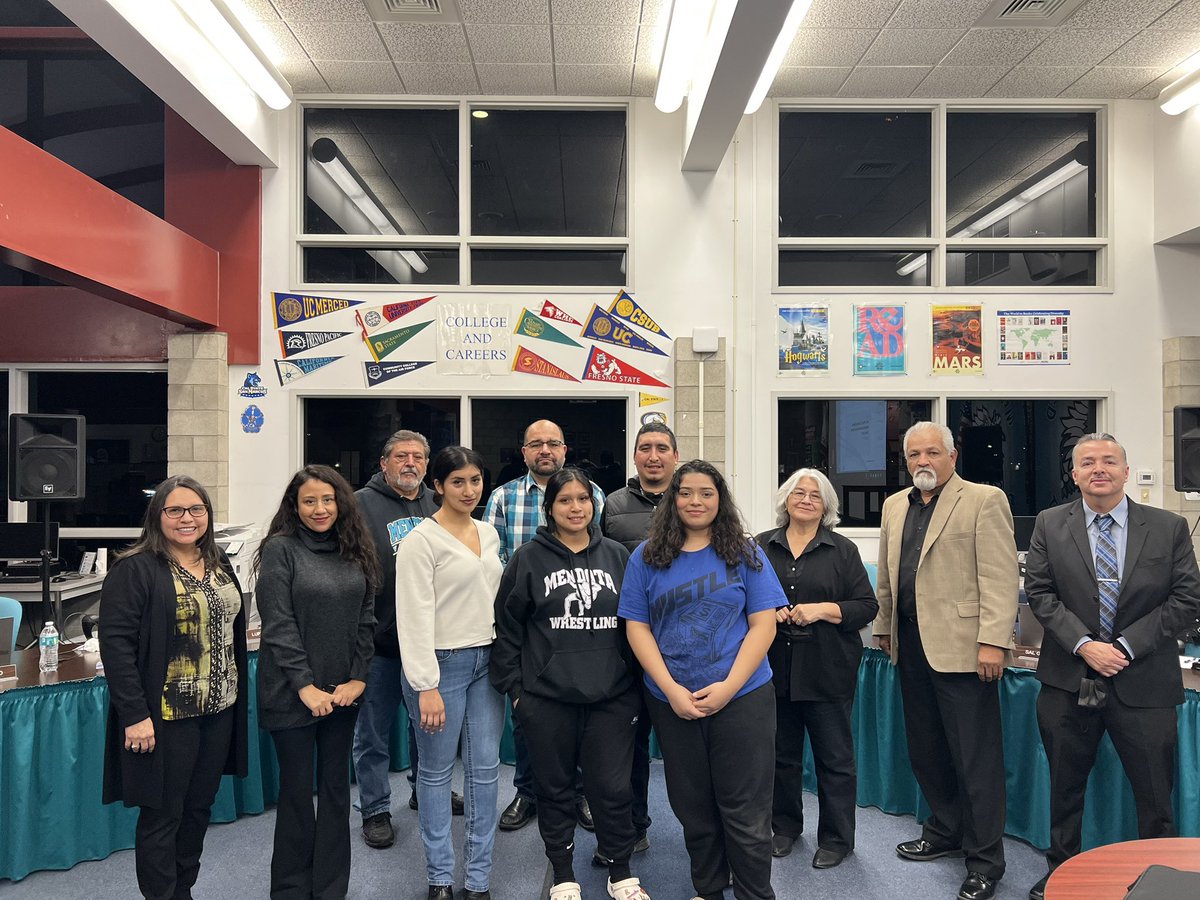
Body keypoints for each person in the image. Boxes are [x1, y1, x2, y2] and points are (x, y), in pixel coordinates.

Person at [1023, 433, 1200, 900]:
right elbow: (1040, 595)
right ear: (1075, 473)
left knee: (1156, 797)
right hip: (1067, 680)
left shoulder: (1167, 527)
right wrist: (1084, 644)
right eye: (1087, 462)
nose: (1098, 469)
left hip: (1145, 682)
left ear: (1125, 470)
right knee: (1065, 790)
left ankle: (1160, 878)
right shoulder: (1048, 523)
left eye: (1109, 461)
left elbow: (1186, 600)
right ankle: (1060, 870)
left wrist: (1122, 646)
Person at [619, 459, 783, 900]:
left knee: (746, 813)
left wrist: (729, 687)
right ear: (672, 499)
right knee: (694, 810)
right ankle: (708, 890)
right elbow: (638, 628)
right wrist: (671, 690)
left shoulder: (746, 552)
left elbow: (763, 625)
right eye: (686, 492)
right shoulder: (647, 556)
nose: (696, 501)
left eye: (706, 493)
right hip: (673, 702)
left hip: (743, 698)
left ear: (720, 499)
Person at [872, 422, 1018, 900]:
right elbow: (890, 578)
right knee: (927, 750)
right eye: (914, 454)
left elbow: (999, 577)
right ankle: (945, 832)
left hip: (965, 648)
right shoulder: (896, 505)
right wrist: (883, 626)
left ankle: (985, 862)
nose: (922, 462)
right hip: (910, 647)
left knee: (974, 760)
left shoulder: (983, 498)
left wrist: (993, 641)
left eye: (932, 452)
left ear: (952, 457)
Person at [492, 468, 650, 900]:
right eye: (565, 500)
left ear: (594, 505)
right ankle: (563, 874)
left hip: (613, 698)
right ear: (550, 508)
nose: (575, 507)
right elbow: (507, 630)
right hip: (546, 700)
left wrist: (633, 688)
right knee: (554, 788)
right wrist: (519, 694)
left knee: (613, 789)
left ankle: (621, 873)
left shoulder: (619, 556)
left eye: (583, 499)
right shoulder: (527, 558)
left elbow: (638, 625)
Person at [101, 475, 248, 900]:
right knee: (163, 815)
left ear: (208, 514)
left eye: (196, 509)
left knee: (198, 809)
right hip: (165, 716)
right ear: (157, 516)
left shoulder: (217, 561)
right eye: (175, 510)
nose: (187, 518)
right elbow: (117, 648)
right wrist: (134, 716)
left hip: (219, 709)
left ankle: (182, 890)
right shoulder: (136, 569)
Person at [255, 464, 379, 900]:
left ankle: (330, 890)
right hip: (290, 694)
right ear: (295, 505)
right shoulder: (280, 550)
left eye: (328, 499)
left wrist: (357, 679)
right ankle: (290, 890)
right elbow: (279, 624)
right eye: (310, 501)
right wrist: (305, 687)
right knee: (295, 796)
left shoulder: (355, 549)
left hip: (342, 695)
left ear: (341, 503)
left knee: (335, 795)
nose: (320, 508)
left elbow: (367, 621)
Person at [484, 419, 605, 832]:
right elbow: (493, 559)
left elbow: (595, 548)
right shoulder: (502, 497)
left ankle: (581, 794)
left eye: (553, 443)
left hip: (581, 624)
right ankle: (527, 791)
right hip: (532, 627)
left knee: (585, 728)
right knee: (529, 725)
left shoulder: (597, 496)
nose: (545, 450)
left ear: (565, 449)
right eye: (536, 444)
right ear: (524, 452)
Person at [396, 446, 505, 900]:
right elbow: (413, 615)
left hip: (488, 661)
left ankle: (477, 879)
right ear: (436, 486)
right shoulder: (419, 540)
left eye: (475, 480)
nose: (468, 490)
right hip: (439, 666)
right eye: (457, 481)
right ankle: (440, 877)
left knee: (485, 773)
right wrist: (426, 685)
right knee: (437, 774)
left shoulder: (489, 533)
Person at [757, 468, 877, 869]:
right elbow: (742, 599)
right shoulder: (760, 547)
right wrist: (767, 612)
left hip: (828, 671)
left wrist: (822, 610)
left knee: (835, 760)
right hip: (774, 670)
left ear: (826, 506)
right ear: (785, 500)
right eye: (798, 492)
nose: (806, 499)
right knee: (781, 757)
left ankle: (837, 839)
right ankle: (785, 828)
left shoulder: (842, 550)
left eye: (815, 495)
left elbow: (866, 606)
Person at [352, 429, 462, 852]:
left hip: (432, 644)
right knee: (373, 734)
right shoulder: (360, 505)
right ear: (384, 463)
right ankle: (376, 808)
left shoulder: (438, 503)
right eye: (401, 456)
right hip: (379, 644)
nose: (410, 463)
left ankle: (424, 791)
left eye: (418, 456)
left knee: (428, 728)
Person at [596, 421, 680, 864]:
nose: (653, 455)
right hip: (627, 647)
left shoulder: (693, 501)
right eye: (645, 448)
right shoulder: (611, 506)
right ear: (635, 457)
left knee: (690, 751)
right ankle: (631, 832)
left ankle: (709, 837)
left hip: (684, 648)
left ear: (674, 456)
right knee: (627, 751)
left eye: (661, 448)